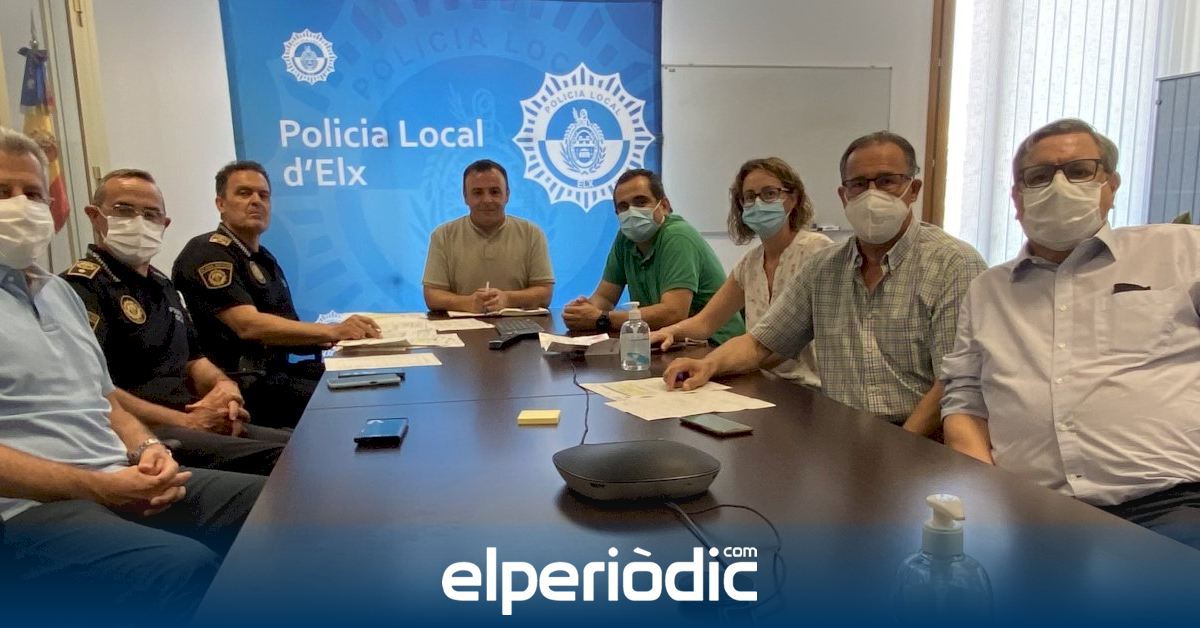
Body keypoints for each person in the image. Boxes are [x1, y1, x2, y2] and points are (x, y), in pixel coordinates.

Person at [0, 126, 263, 622]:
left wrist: (148, 449)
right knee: (184, 568)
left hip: (118, 474)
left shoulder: (57, 293)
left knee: (280, 507)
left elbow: (106, 400)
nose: (20, 206)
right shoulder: (86, 284)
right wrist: (99, 486)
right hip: (27, 506)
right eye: (2, 191)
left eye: (32, 194)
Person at [941, 118, 1200, 549]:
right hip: (1029, 510)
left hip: (1167, 503)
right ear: (1017, 197)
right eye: (1039, 176)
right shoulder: (988, 290)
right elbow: (965, 399)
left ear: (1110, 185)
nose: (1059, 186)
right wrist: (986, 494)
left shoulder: (1182, 252)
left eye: (1079, 171)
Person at [663, 132, 987, 435]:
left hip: (921, 441)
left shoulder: (953, 264)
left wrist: (901, 444)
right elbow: (762, 344)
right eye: (858, 184)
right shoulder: (824, 268)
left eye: (887, 181)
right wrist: (708, 365)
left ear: (913, 189)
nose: (872, 194)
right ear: (844, 196)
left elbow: (953, 381)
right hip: (840, 431)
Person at [64, 168, 290, 475]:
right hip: (145, 433)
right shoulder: (81, 288)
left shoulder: (160, 284)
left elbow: (193, 359)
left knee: (304, 443)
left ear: (164, 224)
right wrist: (188, 421)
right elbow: (98, 391)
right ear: (95, 216)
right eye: (124, 210)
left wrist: (225, 387)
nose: (139, 220)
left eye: (151, 214)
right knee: (285, 459)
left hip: (193, 417)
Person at [172, 160, 381, 427]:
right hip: (242, 384)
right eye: (244, 193)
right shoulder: (206, 253)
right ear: (220, 203)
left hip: (279, 373)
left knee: (372, 379)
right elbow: (248, 326)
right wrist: (332, 331)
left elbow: (289, 329)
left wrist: (347, 338)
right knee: (352, 402)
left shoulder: (263, 258)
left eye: (264, 195)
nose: (256, 201)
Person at [650, 157, 833, 385]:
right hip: (764, 381)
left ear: (793, 198)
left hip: (811, 388)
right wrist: (669, 332)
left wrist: (716, 363)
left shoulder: (817, 251)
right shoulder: (750, 263)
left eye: (769, 194)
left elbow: (779, 345)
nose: (758, 203)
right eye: (749, 197)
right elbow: (706, 322)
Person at [562, 168, 745, 343]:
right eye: (623, 207)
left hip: (714, 343)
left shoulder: (677, 236)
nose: (631, 212)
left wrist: (602, 319)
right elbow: (605, 298)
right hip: (666, 340)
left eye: (640, 202)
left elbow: (674, 313)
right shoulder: (625, 239)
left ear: (664, 206)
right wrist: (582, 312)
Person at [422, 159, 554, 313]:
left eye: (495, 192)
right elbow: (432, 295)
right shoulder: (443, 236)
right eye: (477, 193)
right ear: (465, 197)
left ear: (507, 195)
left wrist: (508, 299)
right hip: (461, 325)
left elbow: (545, 293)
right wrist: (467, 303)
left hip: (520, 325)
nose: (487, 200)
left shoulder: (532, 233)